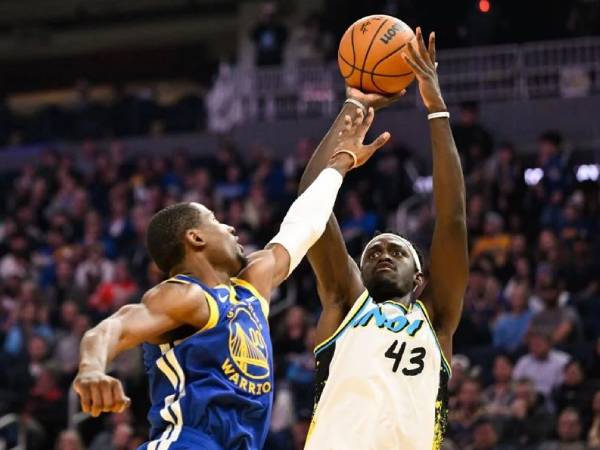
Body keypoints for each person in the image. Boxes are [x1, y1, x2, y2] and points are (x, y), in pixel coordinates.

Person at [73, 111, 391, 449]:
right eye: (216, 221)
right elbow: (113, 327)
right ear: (196, 238)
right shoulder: (187, 296)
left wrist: (341, 163)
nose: (230, 227)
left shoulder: (250, 287)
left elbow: (304, 224)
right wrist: (91, 369)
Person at [300, 28, 468, 450]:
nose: (383, 254)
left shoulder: (438, 320)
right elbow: (310, 202)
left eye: (397, 251)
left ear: (419, 280)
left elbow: (452, 221)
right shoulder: (343, 303)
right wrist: (353, 106)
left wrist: (436, 110)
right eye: (373, 251)